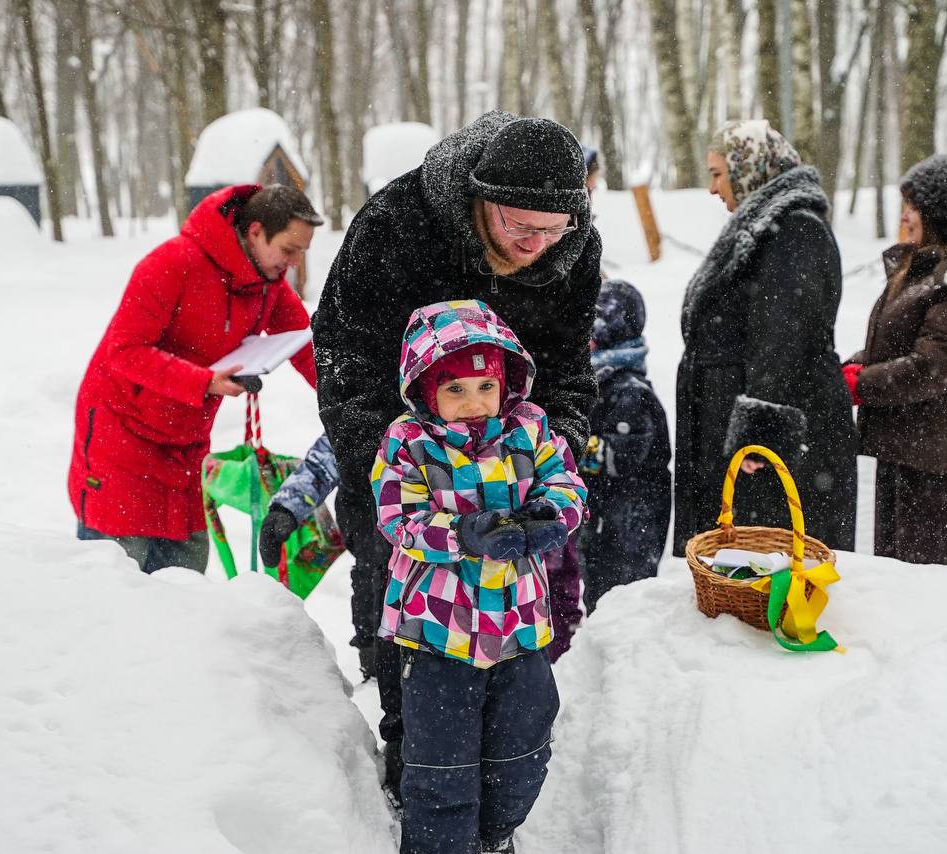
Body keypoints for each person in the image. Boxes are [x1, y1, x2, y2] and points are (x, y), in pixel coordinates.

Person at [311, 111, 601, 803]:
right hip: (404, 479)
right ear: (479, 198)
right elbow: (342, 353)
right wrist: (394, 457)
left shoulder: (572, 246)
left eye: (549, 230)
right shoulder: (398, 226)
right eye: (516, 226)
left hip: (510, 489)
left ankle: (498, 786)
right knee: (409, 643)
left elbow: (567, 367)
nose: (534, 244)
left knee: (512, 662)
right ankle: (415, 783)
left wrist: (552, 448)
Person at [372, 299, 585, 854]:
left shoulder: (530, 428)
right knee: (443, 769)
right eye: (456, 390)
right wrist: (463, 534)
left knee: (523, 753)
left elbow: (566, 484)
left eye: (485, 387)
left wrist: (551, 517)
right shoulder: (409, 442)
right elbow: (400, 517)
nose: (474, 404)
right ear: (426, 391)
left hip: (519, 626)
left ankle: (492, 839)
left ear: (505, 383)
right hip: (439, 629)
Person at [68, 184, 323, 573]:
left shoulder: (265, 284)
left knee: (186, 595)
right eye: (288, 250)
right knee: (115, 590)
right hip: (120, 442)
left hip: (186, 451)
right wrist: (202, 382)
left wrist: (354, 399)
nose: (291, 264)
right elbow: (124, 350)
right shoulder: (172, 263)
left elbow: (306, 347)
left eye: (300, 254)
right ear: (255, 232)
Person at [674, 119, 857, 557]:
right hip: (742, 415)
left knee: (766, 558)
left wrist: (759, 433)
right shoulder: (766, 224)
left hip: (773, 435)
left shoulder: (795, 229)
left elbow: (785, 339)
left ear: (748, 168)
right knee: (745, 558)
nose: (713, 189)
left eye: (718, 174)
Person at [844, 155, 947, 569]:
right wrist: (853, 366)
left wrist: (860, 384)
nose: (905, 216)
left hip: (936, 462)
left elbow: (930, 368)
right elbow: (897, 346)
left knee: (930, 585)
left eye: (913, 206)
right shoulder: (930, 274)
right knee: (898, 575)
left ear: (942, 215)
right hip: (909, 448)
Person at [578, 279, 671, 613]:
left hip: (631, 521)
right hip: (604, 519)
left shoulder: (630, 392)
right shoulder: (602, 383)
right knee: (598, 593)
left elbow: (621, 456)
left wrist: (570, 448)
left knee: (623, 602)